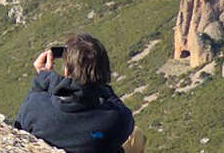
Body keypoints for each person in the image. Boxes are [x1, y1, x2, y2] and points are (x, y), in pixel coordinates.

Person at [13, 33, 144, 153]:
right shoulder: (117, 119)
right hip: (98, 137)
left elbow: (19, 125)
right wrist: (102, 85)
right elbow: (121, 108)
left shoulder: (35, 107)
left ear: (67, 71)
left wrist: (44, 78)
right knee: (137, 135)